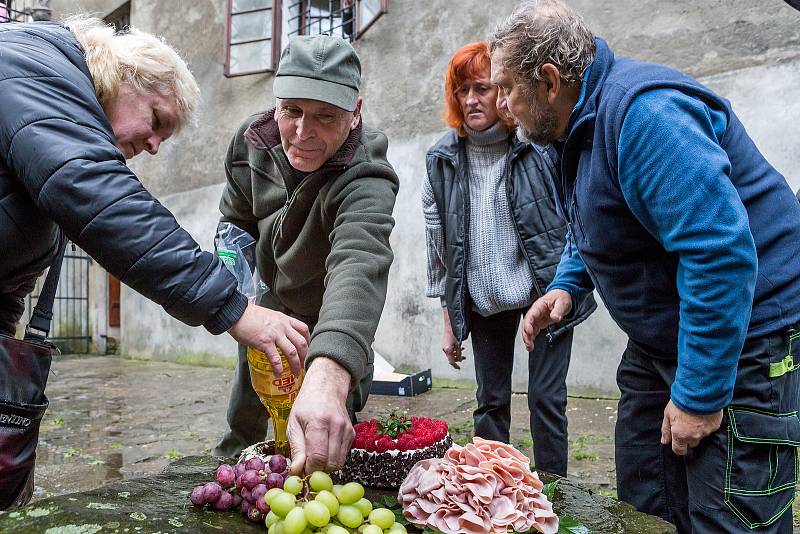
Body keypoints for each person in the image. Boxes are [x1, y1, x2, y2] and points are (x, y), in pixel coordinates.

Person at [489, 1, 800, 531]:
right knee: (644, 499)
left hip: (746, 335)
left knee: (729, 514)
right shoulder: (569, 129)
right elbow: (594, 219)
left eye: (505, 87)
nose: (499, 104)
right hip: (662, 337)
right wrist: (567, 284)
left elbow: (720, 253)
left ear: (548, 81)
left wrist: (701, 396)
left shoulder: (644, 118)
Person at [0, 17, 312, 506]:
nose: (154, 145)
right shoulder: (36, 67)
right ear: (130, 77)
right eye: (158, 120)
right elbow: (101, 199)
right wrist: (233, 308)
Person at [213, 34, 399, 475]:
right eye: (291, 110)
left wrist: (331, 370)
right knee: (243, 425)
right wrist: (242, 304)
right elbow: (233, 225)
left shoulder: (368, 174)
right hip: (268, 314)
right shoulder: (249, 144)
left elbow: (359, 260)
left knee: (323, 436)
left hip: (330, 318)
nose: (302, 132)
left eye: (325, 116)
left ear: (355, 114)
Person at [422, 42, 594, 477]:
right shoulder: (442, 159)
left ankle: (555, 493)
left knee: (546, 400)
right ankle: (493, 492)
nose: (471, 100)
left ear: (501, 93)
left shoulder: (535, 145)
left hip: (544, 289)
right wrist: (450, 321)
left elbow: (571, 215)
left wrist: (569, 285)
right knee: (490, 402)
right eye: (462, 91)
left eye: (481, 88)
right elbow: (439, 250)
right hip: (483, 300)